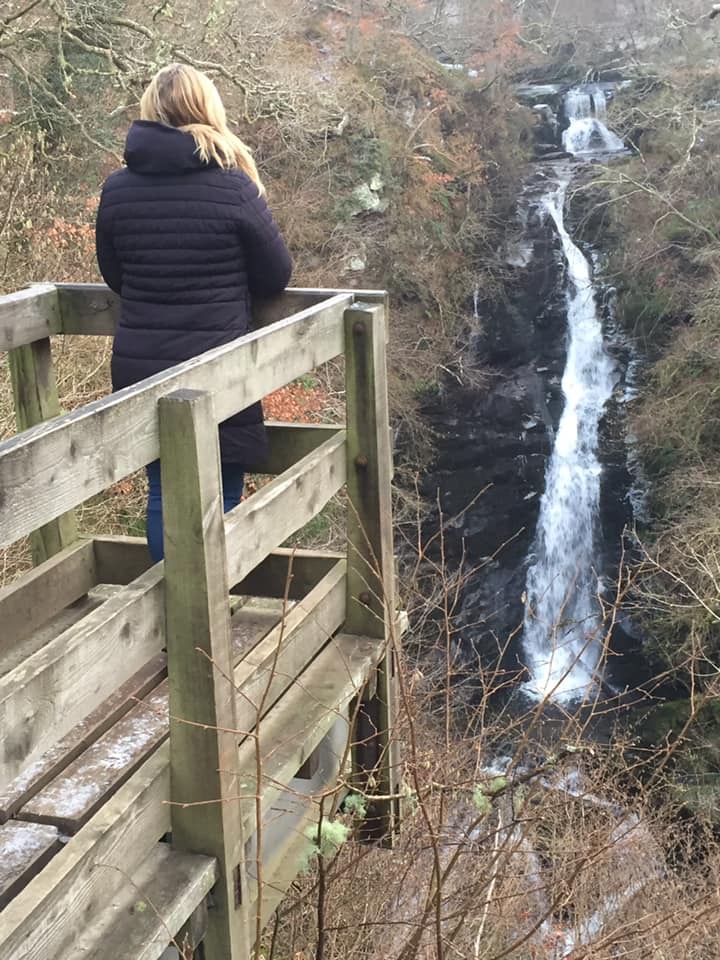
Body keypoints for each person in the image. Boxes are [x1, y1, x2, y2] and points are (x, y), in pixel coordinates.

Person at [95, 63, 292, 562]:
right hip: (217, 364)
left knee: (163, 489)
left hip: (142, 364)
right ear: (207, 109)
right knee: (222, 488)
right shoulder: (233, 185)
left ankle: (167, 615)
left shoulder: (118, 188)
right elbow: (276, 276)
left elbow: (114, 275)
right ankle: (207, 616)